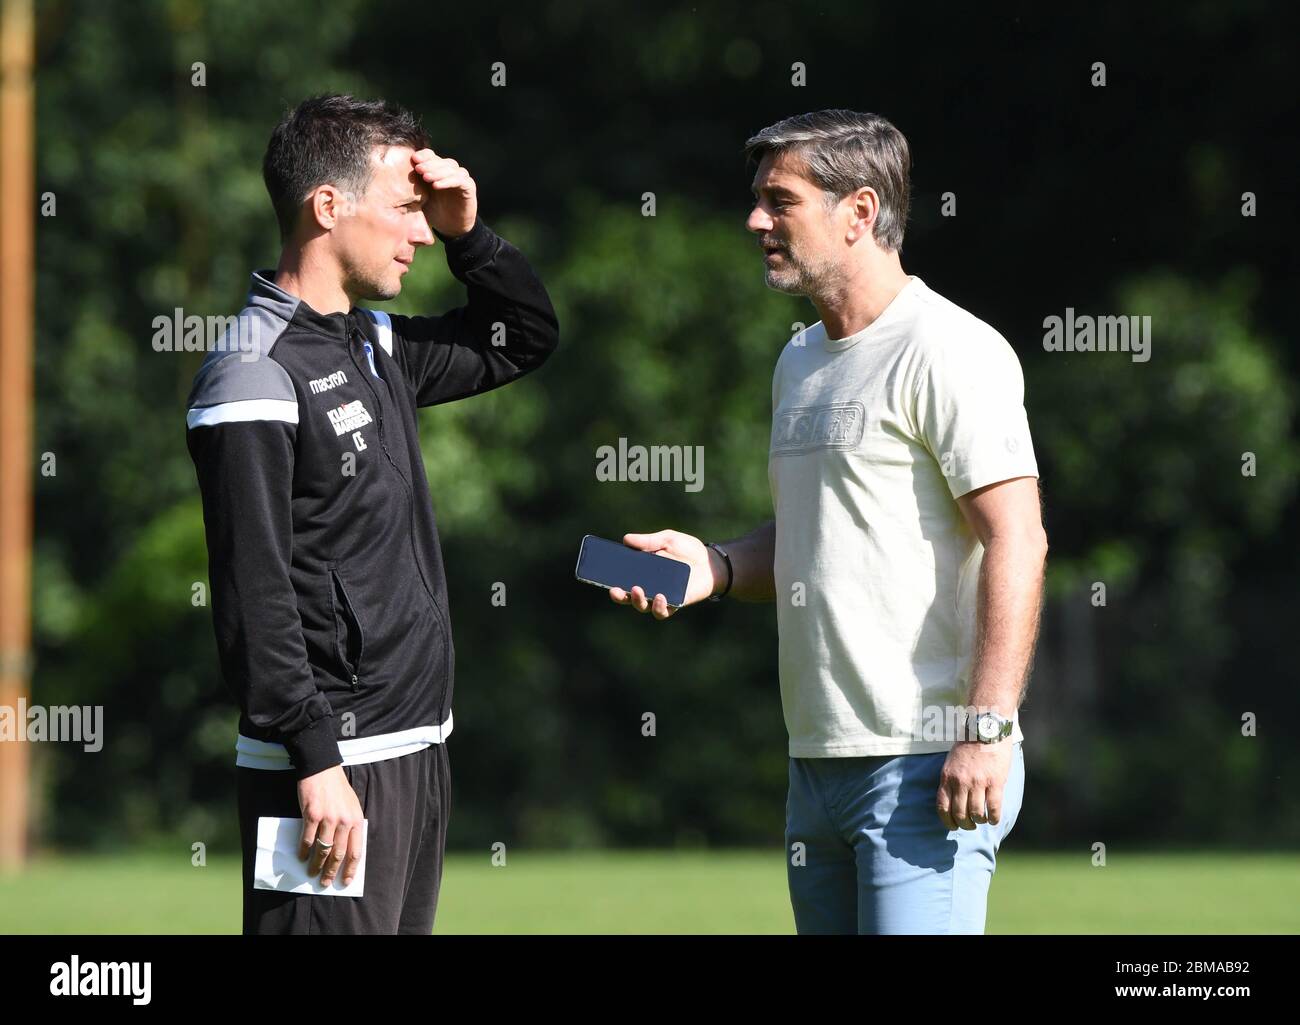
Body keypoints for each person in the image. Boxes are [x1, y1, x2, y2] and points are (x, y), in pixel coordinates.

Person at [610, 109, 1046, 934]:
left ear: (860, 211)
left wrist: (986, 730)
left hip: (926, 759)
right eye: (758, 200)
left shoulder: (950, 349)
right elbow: (817, 540)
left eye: (780, 201)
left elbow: (1017, 535)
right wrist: (717, 564)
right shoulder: (798, 360)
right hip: (816, 762)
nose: (756, 221)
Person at [185, 94, 559, 934]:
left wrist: (473, 236)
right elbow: (255, 591)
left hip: (416, 751)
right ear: (328, 206)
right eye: (404, 209)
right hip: (326, 771)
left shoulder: (373, 344)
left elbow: (524, 335)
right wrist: (315, 761)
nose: (419, 234)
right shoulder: (251, 372)